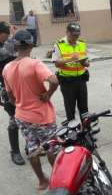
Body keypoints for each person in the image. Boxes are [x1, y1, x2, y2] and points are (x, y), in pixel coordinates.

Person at [2, 30, 59, 190]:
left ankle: (42, 181)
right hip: (41, 115)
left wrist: (19, 102)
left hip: (22, 115)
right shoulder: (35, 64)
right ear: (32, 44)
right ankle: (57, 180)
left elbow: (10, 96)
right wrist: (48, 94)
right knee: (51, 147)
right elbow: (54, 80)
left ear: (15, 46)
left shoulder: (7, 68)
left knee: (32, 148)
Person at [52, 23, 90, 121]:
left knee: (84, 108)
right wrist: (70, 59)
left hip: (81, 80)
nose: (75, 38)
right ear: (67, 32)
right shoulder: (59, 44)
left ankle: (86, 131)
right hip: (67, 82)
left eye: (77, 35)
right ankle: (72, 132)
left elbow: (86, 62)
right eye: (73, 35)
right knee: (70, 109)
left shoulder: (81, 43)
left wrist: (84, 63)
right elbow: (56, 63)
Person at [0, 21, 25, 165]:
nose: (7, 37)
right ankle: (15, 152)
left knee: (28, 117)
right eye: (5, 35)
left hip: (20, 85)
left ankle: (31, 146)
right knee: (14, 119)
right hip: (5, 87)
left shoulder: (10, 43)